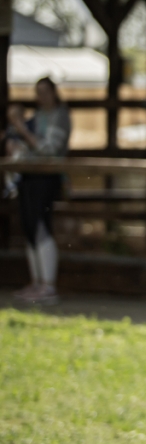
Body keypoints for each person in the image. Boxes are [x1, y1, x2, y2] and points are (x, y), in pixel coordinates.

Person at [6, 76, 71, 305]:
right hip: (29, 177)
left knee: (41, 225)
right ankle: (37, 281)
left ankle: (48, 285)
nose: (40, 96)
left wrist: (21, 128)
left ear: (54, 93)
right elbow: (27, 146)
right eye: (37, 92)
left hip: (47, 178)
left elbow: (50, 149)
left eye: (44, 91)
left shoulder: (59, 116)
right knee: (30, 227)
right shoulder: (39, 117)